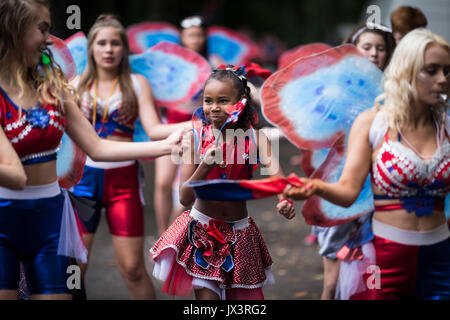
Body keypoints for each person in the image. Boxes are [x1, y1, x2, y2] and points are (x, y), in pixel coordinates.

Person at [0, 0, 182, 300]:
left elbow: (96, 147)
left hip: (52, 220)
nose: (49, 40)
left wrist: (167, 144)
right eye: (42, 29)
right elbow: (15, 177)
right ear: (14, 29)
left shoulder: (53, 88)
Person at [284, 28, 450, 300]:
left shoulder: (447, 127)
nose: (442, 80)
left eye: (447, 71)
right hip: (386, 257)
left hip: (442, 258)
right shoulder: (372, 122)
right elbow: (348, 193)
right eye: (431, 70)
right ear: (407, 71)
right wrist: (314, 186)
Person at [150, 65, 296, 300]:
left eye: (223, 100)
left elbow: (278, 179)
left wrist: (284, 199)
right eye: (208, 101)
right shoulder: (195, 138)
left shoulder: (256, 138)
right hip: (202, 233)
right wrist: (204, 166)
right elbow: (184, 198)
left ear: (241, 101)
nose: (214, 107)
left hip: (241, 233)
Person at [70, 15, 189, 300]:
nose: (108, 49)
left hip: (123, 180)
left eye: (115, 43)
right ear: (91, 48)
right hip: (81, 182)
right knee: (74, 270)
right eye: (102, 43)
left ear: (124, 48)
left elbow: (155, 129)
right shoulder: (73, 86)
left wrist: (197, 123)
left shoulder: (137, 83)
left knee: (133, 269)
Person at [307, 22, 397, 300]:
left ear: (389, 54)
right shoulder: (335, 91)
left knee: (372, 273)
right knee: (332, 284)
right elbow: (313, 133)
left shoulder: (398, 92)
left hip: (383, 189)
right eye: (366, 47)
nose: (373, 54)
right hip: (338, 187)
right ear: (353, 50)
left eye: (380, 49)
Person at [153, 15, 209, 236]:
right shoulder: (171, 63)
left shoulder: (212, 63)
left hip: (197, 127)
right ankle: (160, 233)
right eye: (190, 35)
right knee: (162, 183)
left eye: (199, 35)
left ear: (204, 37)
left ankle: (171, 234)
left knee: (186, 187)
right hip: (171, 125)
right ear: (182, 37)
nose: (195, 39)